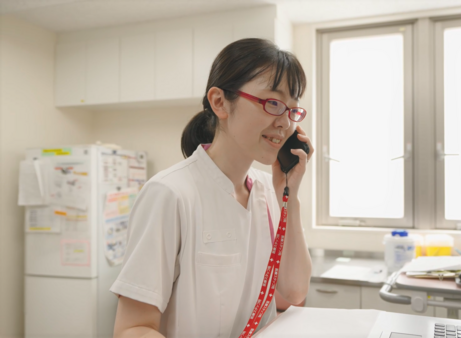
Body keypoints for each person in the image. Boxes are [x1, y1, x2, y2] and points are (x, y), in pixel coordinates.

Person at [111, 38, 313, 338]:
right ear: (219, 102)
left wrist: (289, 196)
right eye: (273, 103)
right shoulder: (169, 193)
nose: (285, 123)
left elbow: (294, 292)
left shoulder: (268, 193)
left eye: (293, 110)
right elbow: (133, 328)